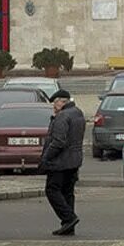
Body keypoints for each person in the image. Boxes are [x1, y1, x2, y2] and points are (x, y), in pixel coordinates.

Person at [41, 87, 86, 236]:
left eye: (55, 102)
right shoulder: (78, 113)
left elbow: (58, 142)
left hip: (60, 162)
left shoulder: (62, 116)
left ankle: (69, 218)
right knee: (67, 192)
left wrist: (46, 157)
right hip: (74, 160)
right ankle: (68, 225)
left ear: (62, 102)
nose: (54, 106)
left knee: (52, 190)